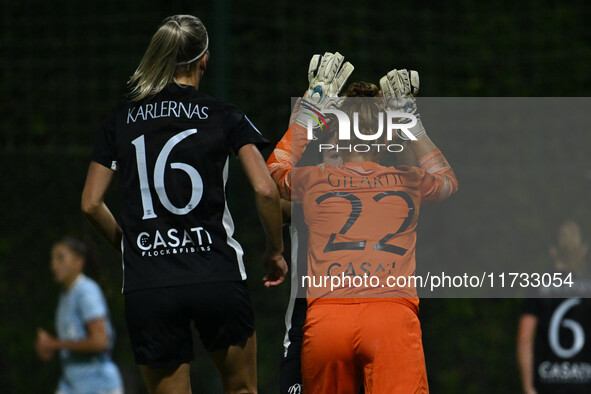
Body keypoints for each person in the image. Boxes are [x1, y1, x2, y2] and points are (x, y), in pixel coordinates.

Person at [80, 14, 287, 393]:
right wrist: (275, 249)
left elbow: (91, 204)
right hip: (216, 274)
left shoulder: (119, 120)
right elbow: (266, 191)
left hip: (150, 284)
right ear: (204, 59)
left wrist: (131, 246)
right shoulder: (226, 116)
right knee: (242, 388)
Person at [267, 52, 458, 393]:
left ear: (336, 139)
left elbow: (273, 174)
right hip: (391, 317)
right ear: (387, 139)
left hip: (327, 317)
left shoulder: (316, 179)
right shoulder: (408, 179)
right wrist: (411, 124)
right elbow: (445, 181)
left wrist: (309, 114)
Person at [35, 236, 123, 394]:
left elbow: (100, 341)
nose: (53, 264)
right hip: (71, 384)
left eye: (60, 258)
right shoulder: (65, 294)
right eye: (52, 258)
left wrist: (56, 344)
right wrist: (49, 347)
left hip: (99, 385)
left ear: (78, 261)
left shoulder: (86, 291)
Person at [517, 220, 591, 394]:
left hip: (547, 384)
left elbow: (525, 338)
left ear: (552, 251)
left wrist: (528, 387)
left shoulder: (538, 286)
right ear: (583, 250)